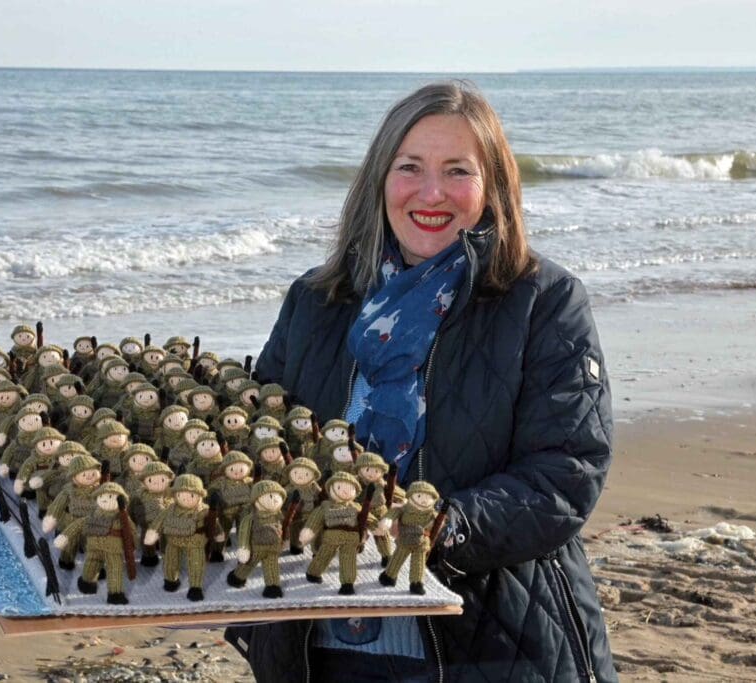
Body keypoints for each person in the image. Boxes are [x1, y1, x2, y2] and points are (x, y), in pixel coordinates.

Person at [224, 81, 616, 682]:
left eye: (457, 171)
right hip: (316, 641)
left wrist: (440, 526)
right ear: (381, 178)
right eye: (411, 167)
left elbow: (568, 472)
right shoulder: (315, 301)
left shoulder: (542, 300)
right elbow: (262, 442)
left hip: (484, 642)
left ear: (492, 189)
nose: (432, 193)